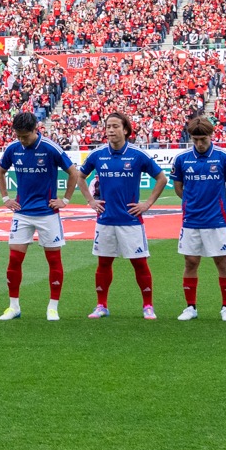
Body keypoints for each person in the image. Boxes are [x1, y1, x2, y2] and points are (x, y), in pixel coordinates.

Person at [0, 110, 83, 321]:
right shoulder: (13, 149)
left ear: (35, 130)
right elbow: (1, 171)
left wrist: (65, 200)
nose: (21, 140)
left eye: (24, 136)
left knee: (53, 260)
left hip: (47, 214)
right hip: (22, 213)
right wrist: (5, 197)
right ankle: (13, 306)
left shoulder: (50, 148)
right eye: (18, 136)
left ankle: (52, 307)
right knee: (14, 260)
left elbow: (73, 172)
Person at [81, 112, 165, 321]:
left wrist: (147, 203)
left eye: (115, 126)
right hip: (105, 220)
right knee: (103, 263)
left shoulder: (137, 155)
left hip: (130, 221)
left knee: (139, 264)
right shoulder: (97, 155)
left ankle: (148, 306)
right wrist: (91, 201)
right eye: (108, 126)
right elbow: (79, 176)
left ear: (125, 130)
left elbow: (161, 178)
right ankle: (102, 305)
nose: (110, 130)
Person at [169, 115, 226, 321]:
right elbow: (179, 188)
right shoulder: (182, 159)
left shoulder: (224, 157)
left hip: (217, 219)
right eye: (196, 140)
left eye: (203, 139)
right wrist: (194, 203)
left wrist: (218, 204)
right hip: (191, 219)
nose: (199, 144)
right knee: (190, 262)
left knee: (222, 261)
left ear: (211, 136)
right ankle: (191, 307)